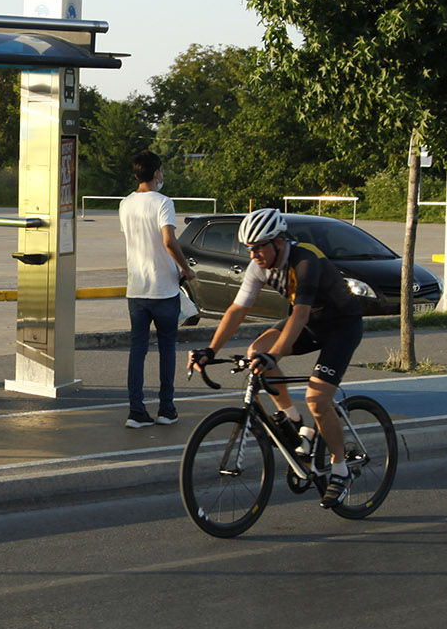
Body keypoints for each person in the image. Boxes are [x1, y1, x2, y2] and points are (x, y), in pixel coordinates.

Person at [190, 208, 368, 508]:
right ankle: (295, 422)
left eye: (258, 247)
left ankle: (340, 468)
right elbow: (237, 310)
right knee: (254, 354)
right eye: (249, 248)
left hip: (342, 326)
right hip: (311, 324)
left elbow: (298, 315)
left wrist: (273, 356)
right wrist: (211, 350)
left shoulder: (305, 260)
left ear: (279, 242)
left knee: (317, 399)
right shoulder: (258, 265)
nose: (253, 254)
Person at [118, 150, 192, 429]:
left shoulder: (125, 204)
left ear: (136, 175)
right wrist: (186, 269)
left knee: (137, 351)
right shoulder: (164, 202)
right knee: (167, 350)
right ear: (157, 173)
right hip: (163, 288)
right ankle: (166, 409)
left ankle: (136, 412)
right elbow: (169, 240)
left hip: (136, 289)